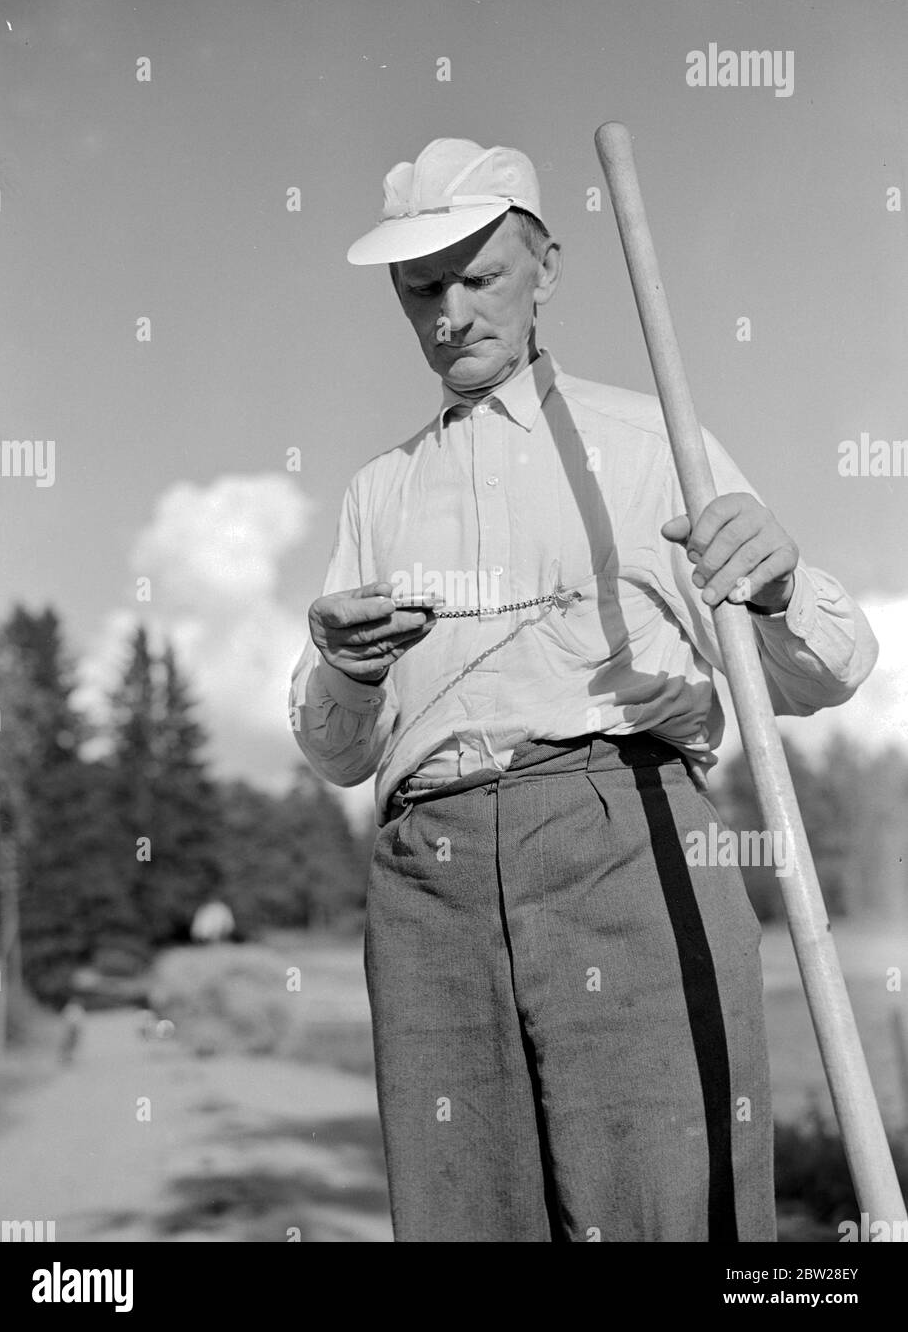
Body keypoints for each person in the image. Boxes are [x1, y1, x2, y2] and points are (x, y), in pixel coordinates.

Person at [289, 138, 878, 1243]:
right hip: (428, 877)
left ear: (546, 267)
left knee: (666, 1213)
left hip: (622, 842)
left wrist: (783, 579)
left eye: (479, 277)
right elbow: (335, 754)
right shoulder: (378, 491)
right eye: (421, 288)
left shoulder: (651, 443)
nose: (450, 314)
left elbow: (827, 671)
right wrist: (344, 667)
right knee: (461, 1217)